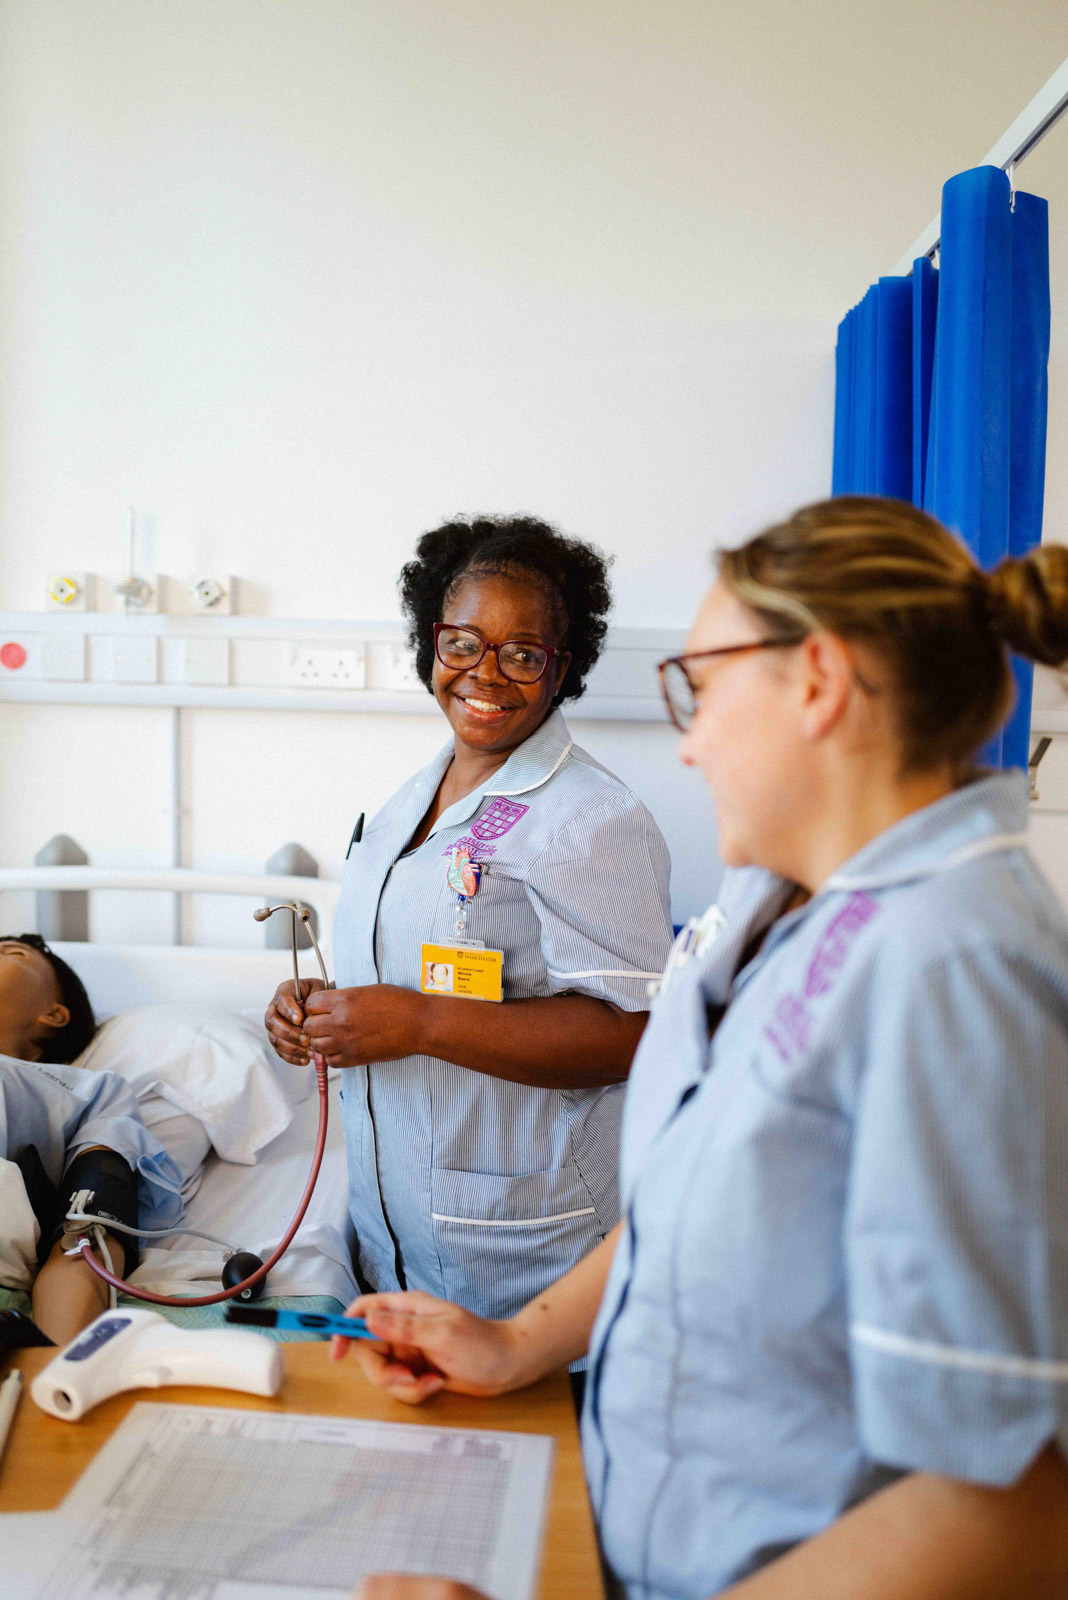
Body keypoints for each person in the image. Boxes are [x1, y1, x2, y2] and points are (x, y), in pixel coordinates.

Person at [333, 497, 1068, 1600]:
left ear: (815, 683)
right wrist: (518, 1343)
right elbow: (689, 1206)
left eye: (702, 686)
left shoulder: (956, 966)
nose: (688, 737)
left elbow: (1011, 1505)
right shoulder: (772, 904)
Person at [266, 516, 673, 1325]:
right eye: (463, 642)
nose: (486, 673)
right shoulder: (407, 804)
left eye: (523, 654)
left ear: (563, 670)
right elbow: (426, 965)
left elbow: (635, 1035)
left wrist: (414, 1021)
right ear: (431, 643)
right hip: (400, 1228)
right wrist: (329, 1013)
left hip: (529, 1248)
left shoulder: (592, 818)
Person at [0, 934, 182, 1343]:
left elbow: (83, 1243)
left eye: (11, 953)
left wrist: (53, 1376)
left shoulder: (90, 1095)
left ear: (54, 1014)